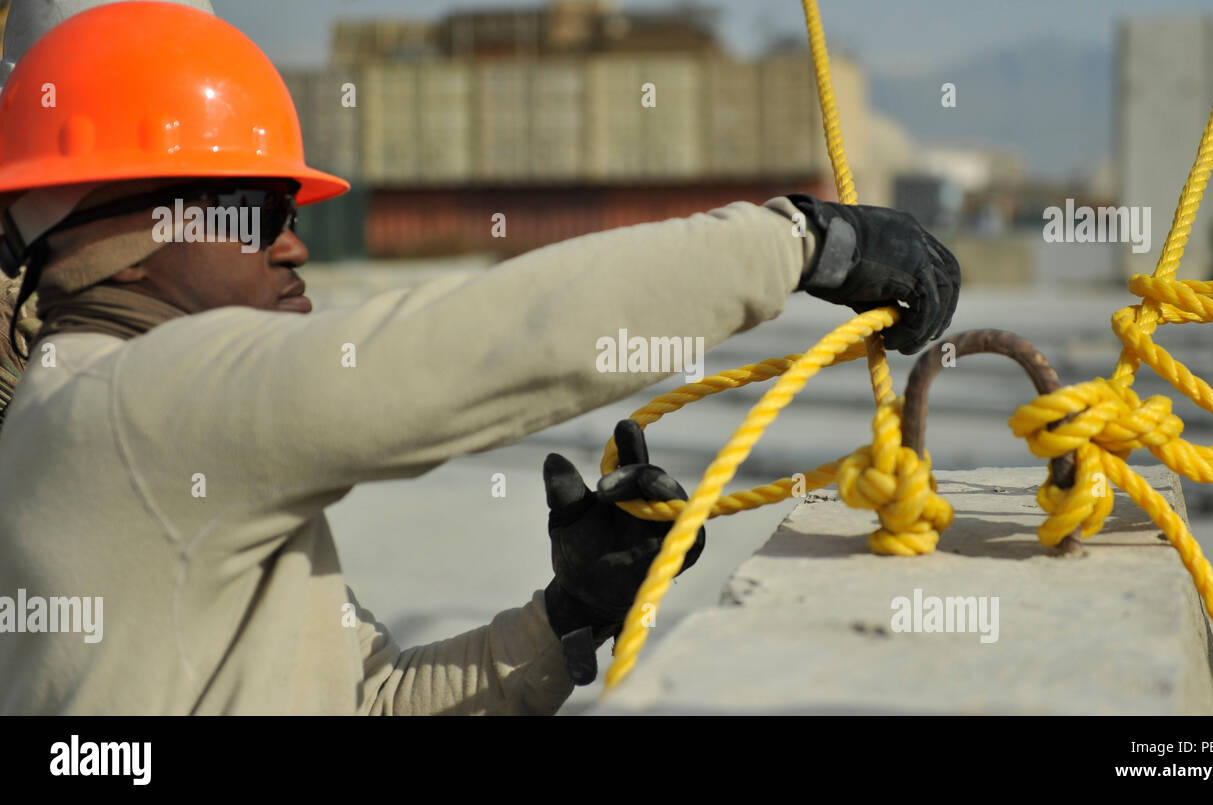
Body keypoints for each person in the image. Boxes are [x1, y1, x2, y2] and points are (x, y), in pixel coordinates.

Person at [0, 2, 959, 714]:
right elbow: (478, 346)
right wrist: (797, 243)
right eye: (254, 213)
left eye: (292, 215)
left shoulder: (105, 426)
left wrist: (565, 618)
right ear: (119, 233)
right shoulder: (132, 409)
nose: (292, 246)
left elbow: (369, 704)